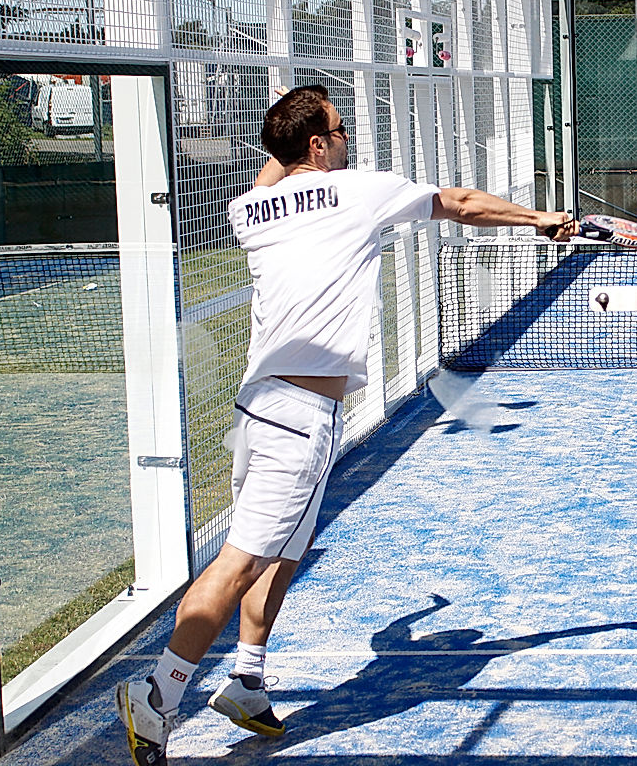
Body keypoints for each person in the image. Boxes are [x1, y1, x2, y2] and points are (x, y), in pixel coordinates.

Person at [114, 85, 576, 766]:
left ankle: (245, 679)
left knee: (284, 549)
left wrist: (288, 122)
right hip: (298, 422)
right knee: (240, 561)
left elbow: (275, 170)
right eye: (339, 128)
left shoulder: (250, 209)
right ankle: (157, 697)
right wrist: (538, 218)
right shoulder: (358, 191)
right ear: (317, 144)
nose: (348, 137)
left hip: (262, 409)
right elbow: (462, 203)